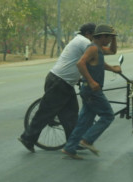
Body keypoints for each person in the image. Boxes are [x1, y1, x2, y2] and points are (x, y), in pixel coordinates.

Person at [18, 23, 116, 153]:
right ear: (88, 34)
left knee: (71, 115)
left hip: (64, 83)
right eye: (95, 35)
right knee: (46, 112)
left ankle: (72, 143)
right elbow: (97, 60)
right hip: (59, 82)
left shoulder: (84, 42)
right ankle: (27, 138)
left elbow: (111, 51)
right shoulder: (84, 42)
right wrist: (111, 70)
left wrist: (114, 36)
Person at [61, 24, 121, 159]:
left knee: (84, 121)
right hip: (92, 90)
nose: (110, 40)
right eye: (109, 37)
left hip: (89, 90)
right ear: (102, 37)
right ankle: (87, 140)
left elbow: (112, 51)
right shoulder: (93, 48)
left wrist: (114, 35)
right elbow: (80, 63)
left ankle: (69, 148)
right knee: (108, 115)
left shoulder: (98, 48)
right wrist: (92, 81)